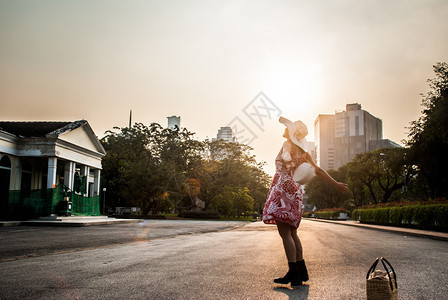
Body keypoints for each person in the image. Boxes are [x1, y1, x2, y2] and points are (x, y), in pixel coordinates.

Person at [263, 116, 349, 287]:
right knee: (293, 233)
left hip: (283, 190)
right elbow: (318, 170)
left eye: (288, 128)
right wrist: (336, 184)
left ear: (291, 133)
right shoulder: (304, 151)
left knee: (285, 233)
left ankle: (293, 272)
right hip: (295, 191)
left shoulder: (288, 145)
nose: (285, 130)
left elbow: (287, 165)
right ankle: (300, 272)